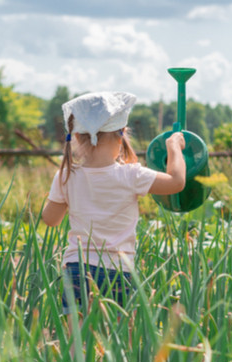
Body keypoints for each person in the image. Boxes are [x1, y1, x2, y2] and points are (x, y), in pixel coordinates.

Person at [41, 91, 186, 314]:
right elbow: (176, 182)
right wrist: (173, 146)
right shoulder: (131, 176)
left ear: (77, 137)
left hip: (77, 267)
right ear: (121, 136)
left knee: (77, 341)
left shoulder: (66, 176)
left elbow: (50, 220)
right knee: (116, 341)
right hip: (118, 269)